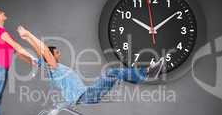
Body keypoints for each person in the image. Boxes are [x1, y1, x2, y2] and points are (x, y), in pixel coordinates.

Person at [16, 26, 165, 106]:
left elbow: (27, 55)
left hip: (87, 93)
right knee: (112, 71)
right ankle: (146, 73)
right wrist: (29, 35)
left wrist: (13, 44)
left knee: (113, 72)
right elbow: (43, 50)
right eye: (56, 53)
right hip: (87, 95)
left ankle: (143, 75)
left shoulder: (47, 66)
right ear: (51, 56)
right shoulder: (53, 67)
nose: (59, 54)